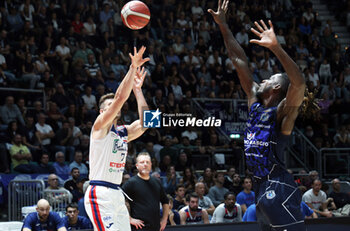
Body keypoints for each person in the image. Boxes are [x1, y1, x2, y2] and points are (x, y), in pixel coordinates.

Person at [209, 1, 307, 230]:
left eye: (269, 79)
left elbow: (299, 82)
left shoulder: (283, 114)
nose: (262, 80)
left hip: (279, 186)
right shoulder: (255, 103)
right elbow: (239, 60)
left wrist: (276, 48)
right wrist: (223, 25)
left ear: (276, 89)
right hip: (260, 187)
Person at [84, 46, 149, 231]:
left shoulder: (122, 132)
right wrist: (132, 68)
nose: (115, 106)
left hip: (117, 193)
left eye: (115, 105)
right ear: (102, 111)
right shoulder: (99, 126)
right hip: (99, 193)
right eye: (110, 105)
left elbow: (149, 122)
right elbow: (120, 97)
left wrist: (138, 91)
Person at [122, 152, 169, 231]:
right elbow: (118, 200)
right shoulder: (131, 183)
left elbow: (165, 201)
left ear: (151, 165)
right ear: (137, 166)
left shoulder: (156, 182)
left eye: (147, 162)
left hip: (156, 227)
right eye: (142, 162)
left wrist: (164, 219)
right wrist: (129, 218)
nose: (145, 164)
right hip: (139, 227)